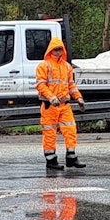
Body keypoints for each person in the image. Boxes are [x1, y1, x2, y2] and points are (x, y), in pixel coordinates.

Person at [35, 36, 85, 170]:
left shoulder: (67, 66)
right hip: (49, 105)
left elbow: (71, 85)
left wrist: (78, 98)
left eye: (60, 50)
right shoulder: (44, 65)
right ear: (51, 50)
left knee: (70, 130)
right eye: (56, 50)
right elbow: (41, 85)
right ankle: (51, 160)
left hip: (64, 105)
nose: (58, 52)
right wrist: (51, 97)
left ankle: (71, 157)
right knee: (50, 133)